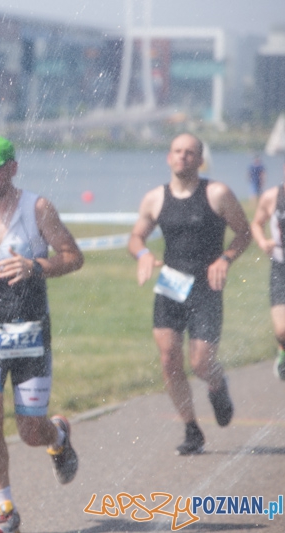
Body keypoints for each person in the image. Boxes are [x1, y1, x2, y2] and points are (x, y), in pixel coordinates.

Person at [0, 136, 84, 533]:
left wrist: (36, 267)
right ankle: (6, 508)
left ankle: (57, 435)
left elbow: (73, 257)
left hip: (30, 331)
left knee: (30, 432)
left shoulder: (37, 208)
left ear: (12, 168)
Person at [129, 133, 251, 456]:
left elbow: (244, 232)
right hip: (170, 285)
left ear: (200, 160)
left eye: (190, 153)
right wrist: (142, 255)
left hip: (205, 288)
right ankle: (191, 429)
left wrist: (225, 259)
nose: (182, 157)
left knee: (200, 362)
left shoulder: (217, 193)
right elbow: (136, 238)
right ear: (168, 158)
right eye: (177, 151)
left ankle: (216, 383)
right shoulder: (155, 198)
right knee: (169, 358)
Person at [250, 160, 285, 380]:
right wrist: (263, 242)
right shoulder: (273, 196)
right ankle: (282, 350)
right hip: (281, 267)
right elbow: (256, 223)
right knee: (282, 330)